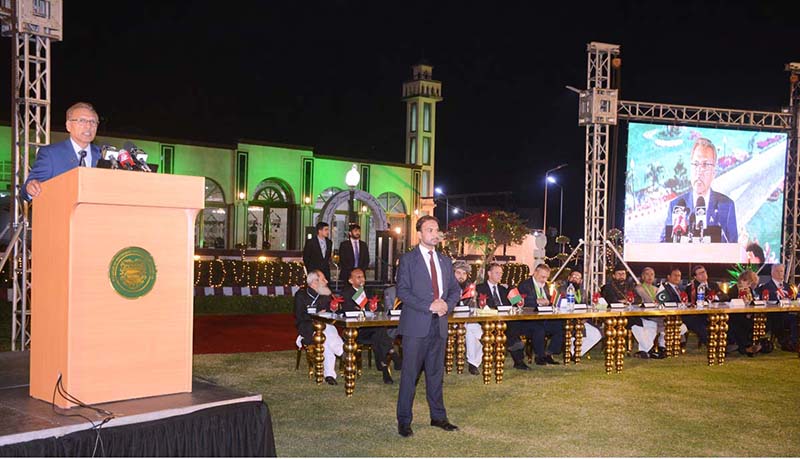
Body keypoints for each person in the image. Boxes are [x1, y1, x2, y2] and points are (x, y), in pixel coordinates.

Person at [396, 215, 460, 438]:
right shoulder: (408, 260)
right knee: (410, 375)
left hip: (439, 325)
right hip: (416, 326)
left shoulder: (444, 261)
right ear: (420, 233)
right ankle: (404, 421)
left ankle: (438, 417)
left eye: (437, 229)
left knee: (435, 373)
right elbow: (402, 292)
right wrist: (429, 306)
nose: (435, 233)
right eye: (430, 229)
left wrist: (446, 305)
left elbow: (455, 290)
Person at [660, 138, 737, 243]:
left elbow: (733, 250)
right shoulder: (676, 206)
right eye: (695, 164)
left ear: (714, 172)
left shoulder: (726, 206)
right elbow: (662, 246)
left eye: (705, 165)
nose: (699, 171)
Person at [23, 102, 101, 200]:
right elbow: (27, 190)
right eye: (82, 121)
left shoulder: (102, 155)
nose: (88, 126)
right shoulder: (51, 154)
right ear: (68, 125)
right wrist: (31, 188)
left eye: (93, 122)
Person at [340, 267, 398, 384]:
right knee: (379, 331)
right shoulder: (346, 293)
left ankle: (384, 368)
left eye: (363, 276)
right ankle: (392, 353)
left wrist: (374, 307)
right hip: (357, 330)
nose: (362, 279)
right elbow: (347, 310)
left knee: (378, 333)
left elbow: (379, 308)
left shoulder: (369, 291)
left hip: (371, 328)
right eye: (358, 277)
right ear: (351, 281)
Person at [293, 270, 344, 385]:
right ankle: (342, 352)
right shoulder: (301, 295)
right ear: (314, 282)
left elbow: (337, 312)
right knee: (325, 330)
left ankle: (329, 375)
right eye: (323, 279)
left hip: (324, 330)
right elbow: (300, 316)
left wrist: (334, 309)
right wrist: (316, 315)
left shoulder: (326, 295)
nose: (326, 281)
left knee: (325, 336)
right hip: (307, 327)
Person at [475, 263, 526, 370]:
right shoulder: (479, 288)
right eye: (497, 273)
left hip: (505, 320)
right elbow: (480, 306)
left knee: (515, 327)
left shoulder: (504, 289)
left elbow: (516, 303)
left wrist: (519, 301)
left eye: (501, 273)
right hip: (489, 321)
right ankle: (519, 360)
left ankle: (519, 360)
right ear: (489, 273)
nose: (500, 276)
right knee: (512, 333)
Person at [602, 265, 658, 359]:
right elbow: (611, 301)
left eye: (623, 274)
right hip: (616, 317)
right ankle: (649, 349)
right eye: (619, 274)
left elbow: (638, 299)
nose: (621, 276)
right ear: (614, 276)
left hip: (631, 314)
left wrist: (627, 301)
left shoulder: (630, 286)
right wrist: (626, 302)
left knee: (652, 324)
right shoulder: (608, 287)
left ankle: (644, 350)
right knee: (636, 325)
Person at [517, 264, 564, 366]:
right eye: (542, 277)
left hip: (544, 317)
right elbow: (519, 301)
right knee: (539, 328)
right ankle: (539, 356)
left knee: (560, 326)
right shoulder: (524, 285)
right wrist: (536, 301)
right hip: (528, 320)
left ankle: (549, 353)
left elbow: (549, 300)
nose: (544, 279)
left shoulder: (546, 286)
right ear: (535, 273)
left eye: (546, 277)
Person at [559, 271, 603, 358]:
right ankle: (570, 352)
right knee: (576, 332)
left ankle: (576, 353)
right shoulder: (561, 289)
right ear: (568, 278)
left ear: (581, 281)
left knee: (597, 333)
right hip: (566, 319)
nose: (575, 278)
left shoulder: (583, 292)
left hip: (583, 319)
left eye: (578, 277)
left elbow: (588, 306)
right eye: (573, 276)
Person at [758, 264, 798, 352]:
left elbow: (793, 299)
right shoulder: (765, 287)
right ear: (772, 273)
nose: (780, 274)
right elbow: (766, 302)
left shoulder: (788, 287)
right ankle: (787, 343)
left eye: (781, 271)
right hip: (773, 315)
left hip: (787, 313)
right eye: (777, 271)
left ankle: (795, 343)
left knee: (796, 318)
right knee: (783, 319)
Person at [632, 267, 667, 359]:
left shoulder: (657, 289)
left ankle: (647, 350)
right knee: (659, 321)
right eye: (647, 274)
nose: (650, 276)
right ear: (642, 276)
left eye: (652, 274)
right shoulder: (639, 288)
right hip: (644, 314)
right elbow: (647, 301)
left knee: (661, 320)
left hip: (655, 314)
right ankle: (660, 346)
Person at [453, 261, 480, 375]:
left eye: (464, 273)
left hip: (467, 320)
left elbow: (474, 307)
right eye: (458, 272)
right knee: (472, 331)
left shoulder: (470, 287)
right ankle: (473, 362)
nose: (461, 276)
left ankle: (473, 363)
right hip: (450, 321)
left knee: (472, 329)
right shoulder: (446, 285)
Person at [728, 270, 762, 356]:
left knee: (758, 321)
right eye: (748, 283)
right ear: (742, 280)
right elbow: (731, 303)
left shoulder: (749, 290)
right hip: (735, 315)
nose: (749, 286)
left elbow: (752, 302)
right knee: (740, 323)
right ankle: (745, 348)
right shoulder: (733, 290)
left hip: (747, 314)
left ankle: (752, 345)